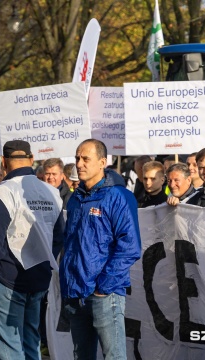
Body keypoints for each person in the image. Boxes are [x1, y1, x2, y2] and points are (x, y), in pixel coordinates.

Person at [0, 140, 63, 360]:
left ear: (4, 163)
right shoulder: (52, 193)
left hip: (6, 280)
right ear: (32, 160)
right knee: (30, 342)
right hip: (38, 278)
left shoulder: (4, 193)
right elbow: (59, 236)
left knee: (9, 347)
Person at [60, 139, 141, 360]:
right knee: (82, 356)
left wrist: (104, 286)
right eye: (77, 158)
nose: (79, 163)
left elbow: (130, 247)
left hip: (104, 294)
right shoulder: (76, 198)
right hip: (76, 293)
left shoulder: (118, 196)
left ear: (102, 162)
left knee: (113, 356)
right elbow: (71, 243)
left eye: (86, 158)